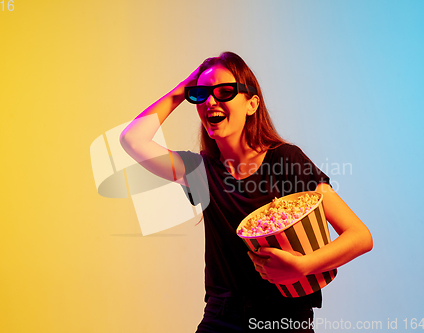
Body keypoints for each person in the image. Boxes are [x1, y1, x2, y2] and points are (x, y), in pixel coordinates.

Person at [120, 52, 373, 332]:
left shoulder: (286, 160)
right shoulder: (199, 172)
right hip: (222, 316)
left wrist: (303, 266)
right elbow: (132, 139)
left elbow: (360, 236)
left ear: (252, 104)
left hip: (284, 319)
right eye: (202, 94)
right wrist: (184, 90)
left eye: (225, 92)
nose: (210, 101)